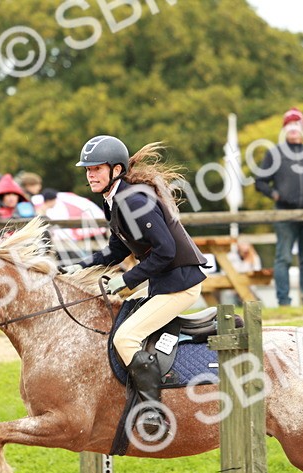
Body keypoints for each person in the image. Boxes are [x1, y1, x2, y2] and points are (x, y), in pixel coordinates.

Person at [69, 135, 208, 438]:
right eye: (88, 169)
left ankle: (153, 412)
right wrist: (79, 267)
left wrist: (126, 280)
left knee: (126, 337)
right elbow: (116, 250)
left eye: (97, 168)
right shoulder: (114, 200)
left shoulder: (133, 200)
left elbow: (166, 251)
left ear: (116, 170)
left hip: (179, 284)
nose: (90, 175)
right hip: (164, 280)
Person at [254, 108, 303, 306]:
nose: (293, 129)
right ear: (284, 129)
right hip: (284, 213)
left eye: (297, 125)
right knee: (284, 257)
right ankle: (283, 300)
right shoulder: (275, 154)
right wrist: (276, 195)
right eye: (289, 125)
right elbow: (260, 182)